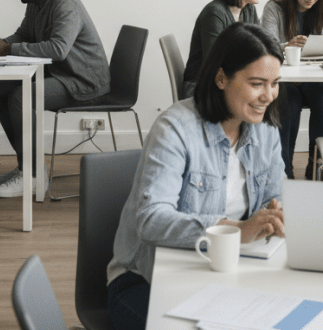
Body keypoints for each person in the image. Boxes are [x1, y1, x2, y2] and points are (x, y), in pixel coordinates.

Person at [108, 23, 286, 330]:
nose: (268, 96)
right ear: (221, 78)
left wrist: (280, 215)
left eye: (275, 83)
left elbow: (275, 198)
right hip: (145, 281)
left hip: (224, 275)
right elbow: (151, 220)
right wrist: (235, 230)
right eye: (257, 83)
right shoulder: (175, 129)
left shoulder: (265, 130)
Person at [0, 0, 111, 198]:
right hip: (60, 74)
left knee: (22, 97)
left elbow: (58, 49)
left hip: (83, 82)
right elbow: (24, 35)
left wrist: (8, 49)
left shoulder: (66, 5)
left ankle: (32, 175)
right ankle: (28, 167)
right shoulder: (36, 3)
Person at [261, 0, 323, 179]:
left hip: (313, 77)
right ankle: (285, 168)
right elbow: (266, 45)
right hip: (285, 78)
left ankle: (316, 164)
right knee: (286, 101)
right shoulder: (274, 7)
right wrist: (288, 46)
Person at [181, 0, 265, 99]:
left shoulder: (249, 9)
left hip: (231, 79)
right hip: (203, 85)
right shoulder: (214, 13)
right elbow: (214, 61)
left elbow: (259, 45)